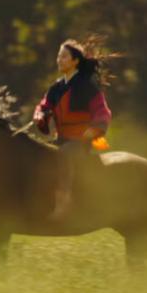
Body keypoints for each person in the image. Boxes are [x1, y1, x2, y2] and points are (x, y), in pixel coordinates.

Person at [33, 38, 115, 220]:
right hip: (61, 139)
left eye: (64, 56)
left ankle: (64, 203)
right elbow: (44, 106)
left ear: (75, 61)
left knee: (63, 153)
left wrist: (95, 129)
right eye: (58, 56)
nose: (59, 60)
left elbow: (102, 112)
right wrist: (40, 115)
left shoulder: (87, 86)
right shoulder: (55, 88)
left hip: (81, 141)